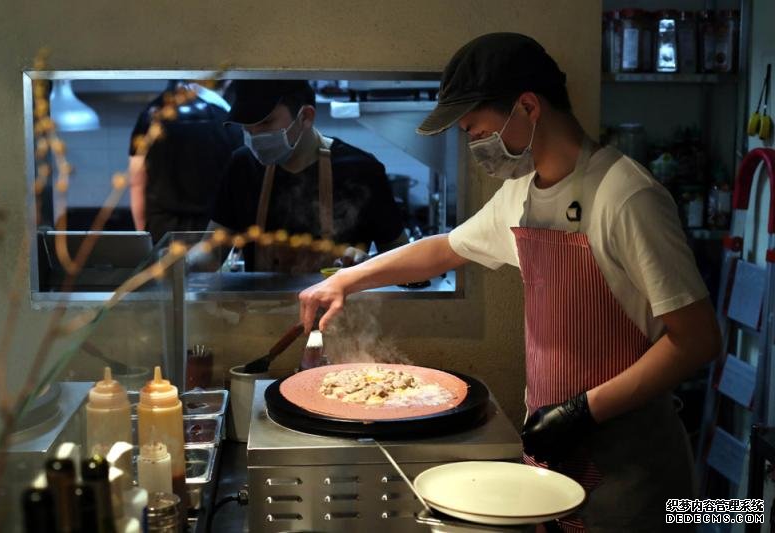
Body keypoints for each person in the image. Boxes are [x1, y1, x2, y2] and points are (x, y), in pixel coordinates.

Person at [299, 33, 720, 532]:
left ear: (527, 107)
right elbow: (446, 247)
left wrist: (582, 412)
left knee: (699, 516)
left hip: (637, 475)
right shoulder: (520, 195)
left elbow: (697, 339)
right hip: (555, 453)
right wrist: (348, 279)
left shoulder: (626, 197)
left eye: (475, 128)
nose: (471, 142)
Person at [208, 79, 408, 273]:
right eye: (246, 126)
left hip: (342, 306)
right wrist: (182, 263)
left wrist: (367, 265)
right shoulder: (242, 166)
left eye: (266, 122)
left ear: (306, 117)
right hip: (260, 307)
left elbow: (403, 261)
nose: (254, 135)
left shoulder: (361, 170)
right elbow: (211, 254)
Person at [128, 80, 238, 243]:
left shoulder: (150, 114)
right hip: (212, 230)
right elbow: (238, 184)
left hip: (161, 230)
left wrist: (142, 236)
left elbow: (137, 181)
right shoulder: (225, 115)